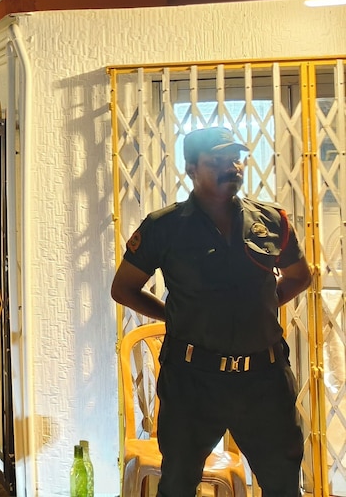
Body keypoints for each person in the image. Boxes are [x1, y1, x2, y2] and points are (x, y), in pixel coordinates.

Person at [111, 126, 312, 497]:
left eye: (235, 159)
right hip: (192, 381)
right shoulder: (163, 228)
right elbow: (122, 288)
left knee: (283, 484)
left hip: (264, 380)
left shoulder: (272, 220)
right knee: (178, 484)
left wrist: (263, 307)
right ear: (190, 168)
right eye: (217, 161)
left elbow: (300, 277)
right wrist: (173, 316)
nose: (231, 167)